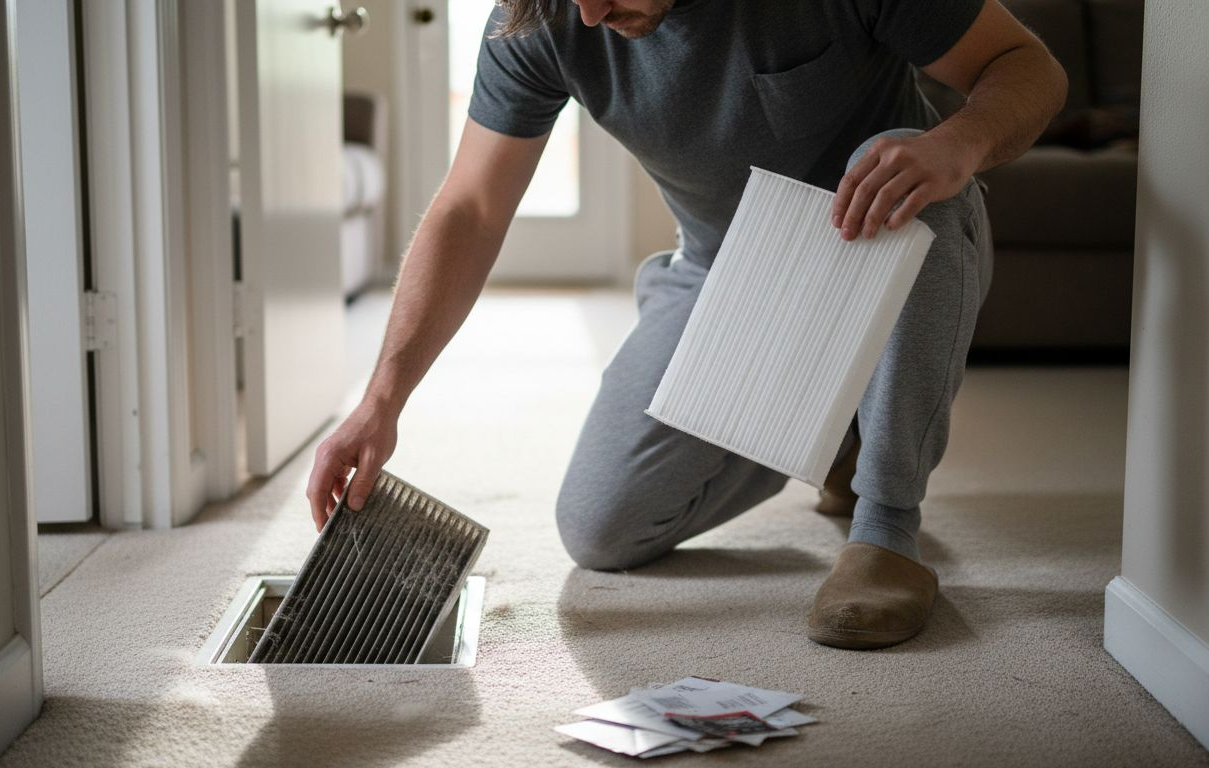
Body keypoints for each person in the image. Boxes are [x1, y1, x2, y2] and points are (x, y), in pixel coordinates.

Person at [307, 0, 1066, 649]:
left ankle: (887, 528)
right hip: (721, 271)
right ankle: (839, 428)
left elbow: (1027, 65)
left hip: (886, 241)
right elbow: (470, 208)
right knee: (601, 528)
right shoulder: (543, 15)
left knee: (896, 164)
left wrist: (955, 145)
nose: (591, 15)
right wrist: (382, 399)